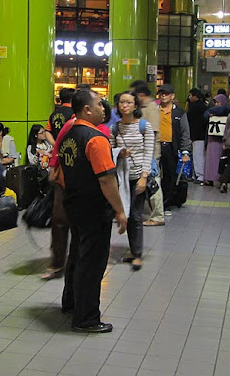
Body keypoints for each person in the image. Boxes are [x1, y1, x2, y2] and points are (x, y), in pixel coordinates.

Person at [57, 89, 127, 333]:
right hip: (94, 209)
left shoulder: (69, 135)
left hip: (74, 204)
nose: (103, 108)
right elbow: (107, 180)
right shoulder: (96, 139)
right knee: (92, 263)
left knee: (77, 255)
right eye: (99, 104)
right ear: (87, 109)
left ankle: (71, 303)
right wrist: (120, 210)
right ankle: (86, 317)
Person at [109, 91, 153, 271]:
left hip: (137, 176)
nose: (125, 105)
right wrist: (120, 152)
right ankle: (133, 250)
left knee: (135, 216)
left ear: (135, 106)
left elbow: (148, 153)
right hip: (121, 177)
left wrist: (144, 177)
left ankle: (137, 254)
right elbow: (110, 151)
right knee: (124, 214)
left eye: (129, 102)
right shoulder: (115, 128)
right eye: (121, 102)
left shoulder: (144, 126)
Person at [130, 81, 164, 226]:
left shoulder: (151, 108)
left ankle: (157, 216)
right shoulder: (143, 107)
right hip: (141, 153)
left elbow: (153, 132)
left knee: (153, 183)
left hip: (150, 153)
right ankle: (147, 214)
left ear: (141, 95)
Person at [157, 84, 192, 216]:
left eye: (166, 93)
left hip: (170, 147)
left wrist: (185, 151)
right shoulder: (154, 111)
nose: (163, 96)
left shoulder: (179, 113)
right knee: (153, 176)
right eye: (161, 93)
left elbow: (184, 133)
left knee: (169, 176)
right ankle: (153, 204)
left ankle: (166, 204)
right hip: (156, 146)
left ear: (172, 96)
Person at [203, 93, 230, 186]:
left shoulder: (226, 109)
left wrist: (210, 111)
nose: (217, 104)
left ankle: (217, 178)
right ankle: (212, 178)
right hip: (215, 138)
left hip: (218, 138)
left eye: (218, 102)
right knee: (213, 160)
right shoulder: (227, 110)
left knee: (218, 160)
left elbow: (213, 111)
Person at [187, 88, 207, 184]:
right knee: (199, 155)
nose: (189, 97)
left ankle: (200, 176)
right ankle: (198, 175)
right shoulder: (203, 106)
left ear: (195, 96)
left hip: (197, 135)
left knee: (197, 156)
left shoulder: (195, 107)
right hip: (201, 134)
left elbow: (189, 119)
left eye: (191, 95)